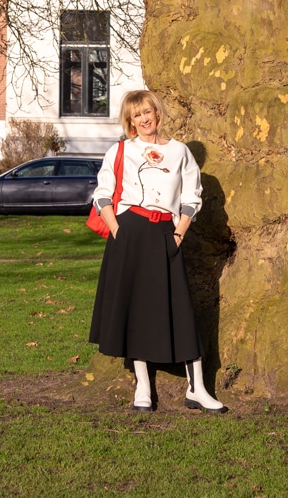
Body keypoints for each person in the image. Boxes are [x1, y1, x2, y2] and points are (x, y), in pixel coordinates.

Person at [89, 89, 225, 413]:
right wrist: (119, 231)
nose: (144, 119)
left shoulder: (180, 152)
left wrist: (177, 236)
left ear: (157, 113)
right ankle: (143, 389)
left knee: (180, 310)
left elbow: (192, 198)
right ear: (130, 121)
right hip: (130, 232)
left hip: (166, 232)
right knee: (136, 311)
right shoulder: (121, 150)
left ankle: (198, 389)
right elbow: (103, 194)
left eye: (147, 112)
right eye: (137, 115)